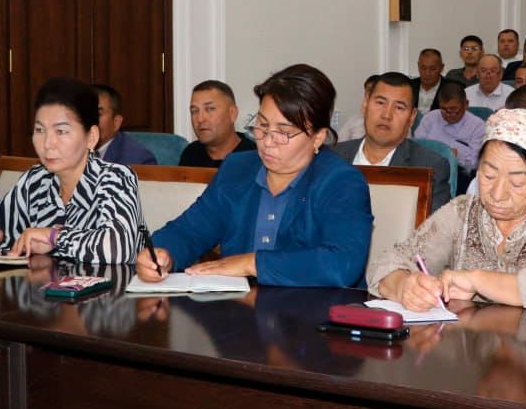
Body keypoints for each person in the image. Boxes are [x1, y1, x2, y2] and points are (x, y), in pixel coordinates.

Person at [140, 64, 373, 286]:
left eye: (284, 132)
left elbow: (342, 264)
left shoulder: (341, 182)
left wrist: (251, 263)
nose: (267, 141)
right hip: (238, 313)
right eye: (262, 125)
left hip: (312, 318)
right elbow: (190, 230)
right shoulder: (238, 168)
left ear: (318, 138)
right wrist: (162, 254)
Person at [368, 108, 526, 311]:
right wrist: (403, 285)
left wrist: (476, 280)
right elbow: (386, 263)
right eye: (488, 175)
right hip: (469, 350)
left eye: (516, 183)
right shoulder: (463, 211)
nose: (497, 194)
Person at [0, 77, 142, 260]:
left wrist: (53, 236)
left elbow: (118, 247)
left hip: (108, 288)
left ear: (91, 137)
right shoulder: (36, 181)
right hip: (43, 287)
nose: (47, 143)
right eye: (40, 130)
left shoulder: (116, 178)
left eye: (61, 131)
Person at [332, 72, 451, 214]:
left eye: (399, 107)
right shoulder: (331, 157)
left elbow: (433, 232)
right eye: (380, 103)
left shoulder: (430, 167)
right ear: (365, 105)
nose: (386, 115)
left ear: (412, 117)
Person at [415, 80, 487, 191]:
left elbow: (475, 163)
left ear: (466, 104)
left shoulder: (478, 126)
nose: (448, 114)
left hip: (460, 175)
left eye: (453, 110)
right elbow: (416, 147)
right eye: (444, 109)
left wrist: (455, 156)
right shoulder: (430, 118)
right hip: (427, 170)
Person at [178, 80, 257, 168]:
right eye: (194, 111)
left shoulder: (255, 157)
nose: (200, 119)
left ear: (232, 113)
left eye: (210, 109)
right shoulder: (190, 154)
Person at [93, 84, 158, 166]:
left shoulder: (139, 159)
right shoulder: (73, 149)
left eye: (97, 113)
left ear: (116, 122)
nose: (89, 119)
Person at [412, 48, 445, 112]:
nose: (427, 73)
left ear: (442, 68)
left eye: (432, 69)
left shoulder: (450, 88)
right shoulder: (409, 86)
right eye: (423, 68)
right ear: (418, 66)